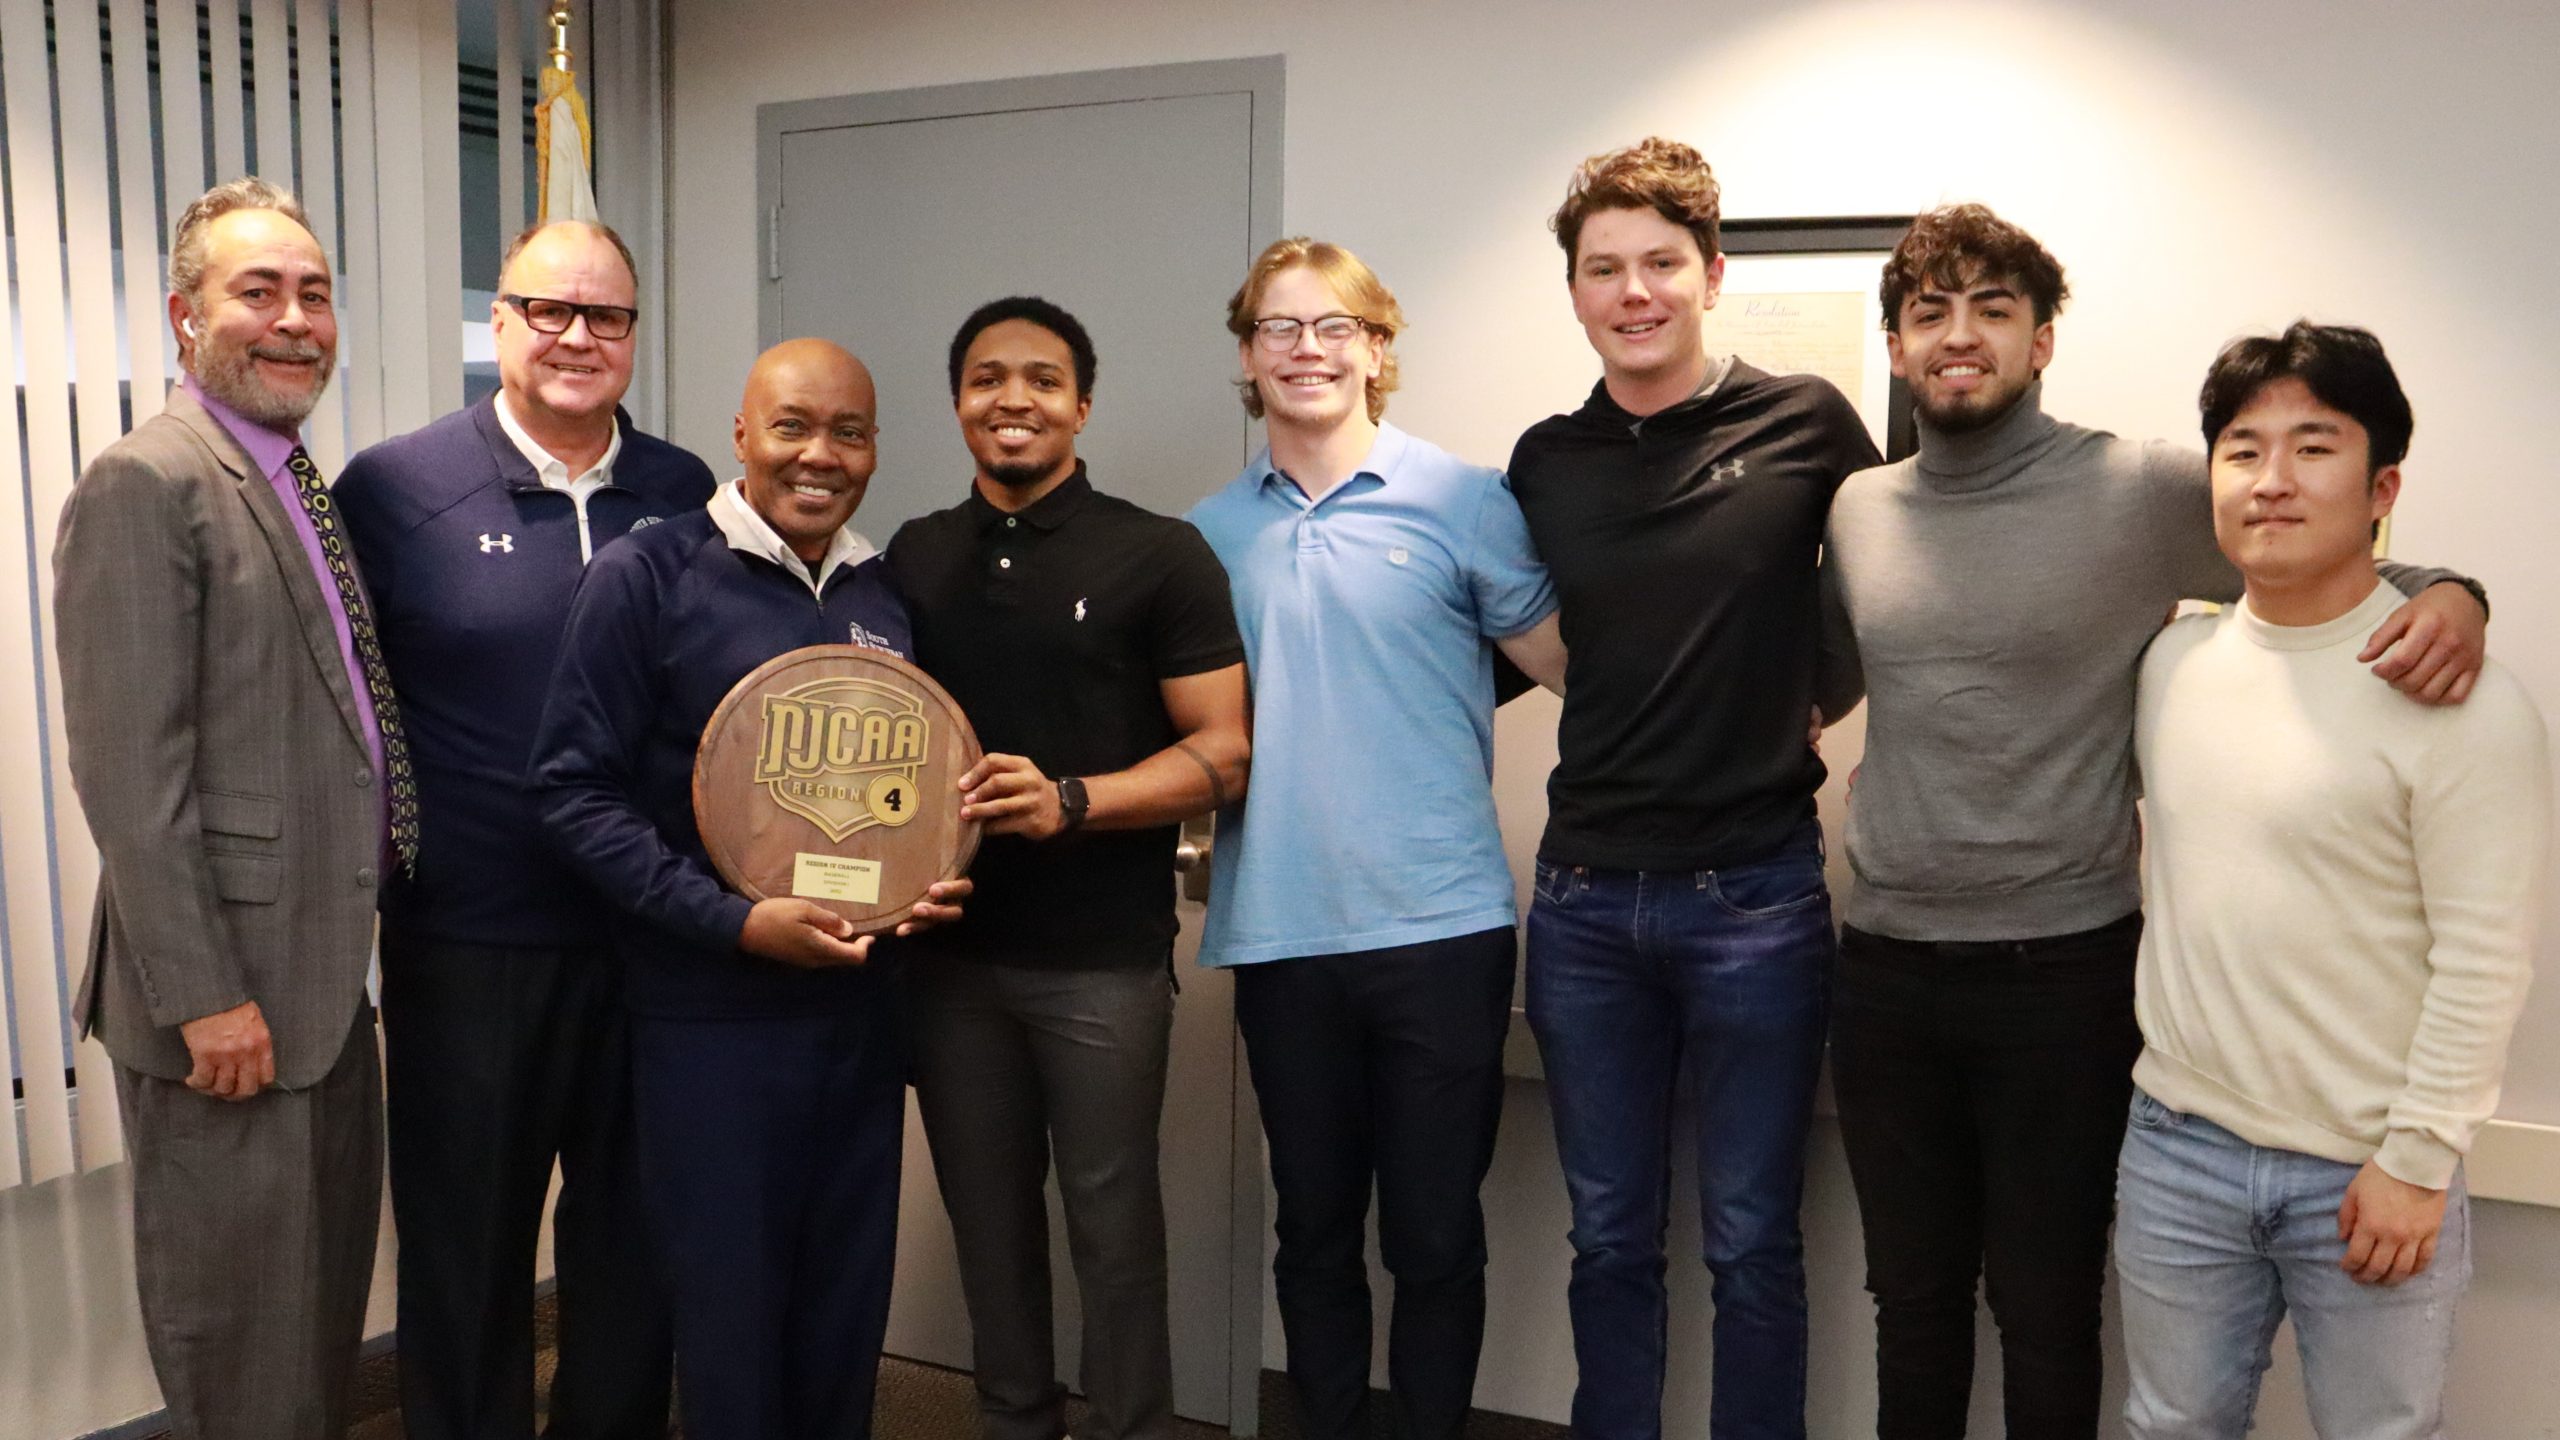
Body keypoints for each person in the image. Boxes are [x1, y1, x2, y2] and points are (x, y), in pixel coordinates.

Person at [1822, 207, 2491, 1440]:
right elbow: (1821, 677)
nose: (1958, 336)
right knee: (1907, 1299)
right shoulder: (1858, 508)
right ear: (1900, 345)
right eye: (1929, 314)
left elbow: (2307, 534)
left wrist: (2456, 592)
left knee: (2045, 1306)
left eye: (1992, 310)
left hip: (2062, 969)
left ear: (2042, 339)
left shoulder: (2130, 485)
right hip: (1884, 970)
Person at [1504, 138, 1874, 1440]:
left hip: (1754, 902)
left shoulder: (1809, 422)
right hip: (1587, 902)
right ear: (1578, 293)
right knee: (1608, 1238)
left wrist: (1793, 698)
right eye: (1604, 269)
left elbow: (1898, 587)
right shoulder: (1546, 462)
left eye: (1661, 263)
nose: (1634, 291)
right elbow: (1508, 639)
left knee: (1751, 1241)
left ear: (1712, 274)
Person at [2116, 321, 2547, 1439]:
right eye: (2242, 449)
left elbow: (2483, 954)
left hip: (2366, 1171)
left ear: (2380, 486)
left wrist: (2415, 1158)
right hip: (2177, 1145)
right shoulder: (2171, 664)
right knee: (2168, 1426)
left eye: (2313, 447)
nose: (2270, 480)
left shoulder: (2460, 697)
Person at [531, 339, 964, 1440]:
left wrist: (923, 884)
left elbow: (897, 800)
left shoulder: (882, 594)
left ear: (873, 448)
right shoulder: (649, 574)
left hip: (857, 1022)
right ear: (740, 435)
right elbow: (574, 795)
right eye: (792, 426)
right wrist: (732, 925)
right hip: (707, 1022)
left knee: (839, 1315)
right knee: (727, 1327)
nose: (820, 455)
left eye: (849, 432)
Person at [335, 217, 710, 1440]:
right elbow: (345, 717)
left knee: (633, 1247)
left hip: (649, 938)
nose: (575, 337)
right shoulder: (393, 490)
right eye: (548, 310)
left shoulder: (686, 490)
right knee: (468, 1252)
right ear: (497, 321)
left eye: (605, 316)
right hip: (472, 942)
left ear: (635, 338)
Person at [1185, 238, 1564, 1440]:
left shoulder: (1464, 499)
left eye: (1333, 326)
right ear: (1247, 355)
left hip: (1441, 926)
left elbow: (1576, 674)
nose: (1307, 350)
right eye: (1280, 329)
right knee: (1311, 1229)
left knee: (1437, 1234)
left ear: (1377, 347)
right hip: (1281, 929)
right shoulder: (1200, 539)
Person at [52, 176, 392, 1440]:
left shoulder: (297, 481)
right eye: (259, 292)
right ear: (186, 316)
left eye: (313, 293)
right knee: (240, 1353)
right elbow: (130, 779)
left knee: (308, 1345)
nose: (295, 318)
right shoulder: (150, 483)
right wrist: (204, 996)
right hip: (226, 1010)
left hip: (317, 988)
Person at [887, 296, 1251, 1440]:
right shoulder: (912, 555)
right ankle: (1015, 1424)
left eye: (1042, 380)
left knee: (1111, 1227)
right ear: (956, 405)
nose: (1014, 399)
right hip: (947, 960)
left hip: (1101, 963)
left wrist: (1074, 802)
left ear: (1081, 405)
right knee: (988, 1229)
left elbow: (1224, 755)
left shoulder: (1159, 553)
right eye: (988, 378)